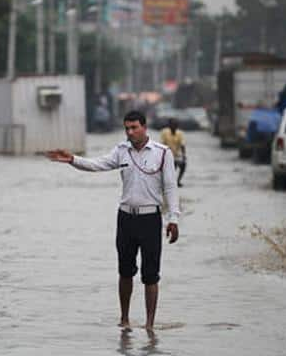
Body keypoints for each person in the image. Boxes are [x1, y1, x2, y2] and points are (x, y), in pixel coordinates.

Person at [46, 110, 180, 331]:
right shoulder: (121, 151)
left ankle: (149, 325)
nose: (130, 132)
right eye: (127, 128)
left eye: (134, 127)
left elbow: (170, 187)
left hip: (150, 219)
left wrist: (173, 218)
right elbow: (98, 164)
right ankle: (125, 320)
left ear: (144, 127)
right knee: (125, 271)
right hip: (126, 218)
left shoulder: (163, 153)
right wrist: (72, 160)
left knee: (151, 275)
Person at [159, 118, 186, 187]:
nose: (174, 126)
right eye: (172, 125)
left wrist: (184, 155)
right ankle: (167, 181)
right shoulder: (164, 132)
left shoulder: (179, 133)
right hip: (167, 155)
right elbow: (161, 144)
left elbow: (182, 145)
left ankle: (178, 181)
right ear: (169, 125)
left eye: (175, 125)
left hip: (176, 155)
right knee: (171, 167)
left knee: (183, 164)